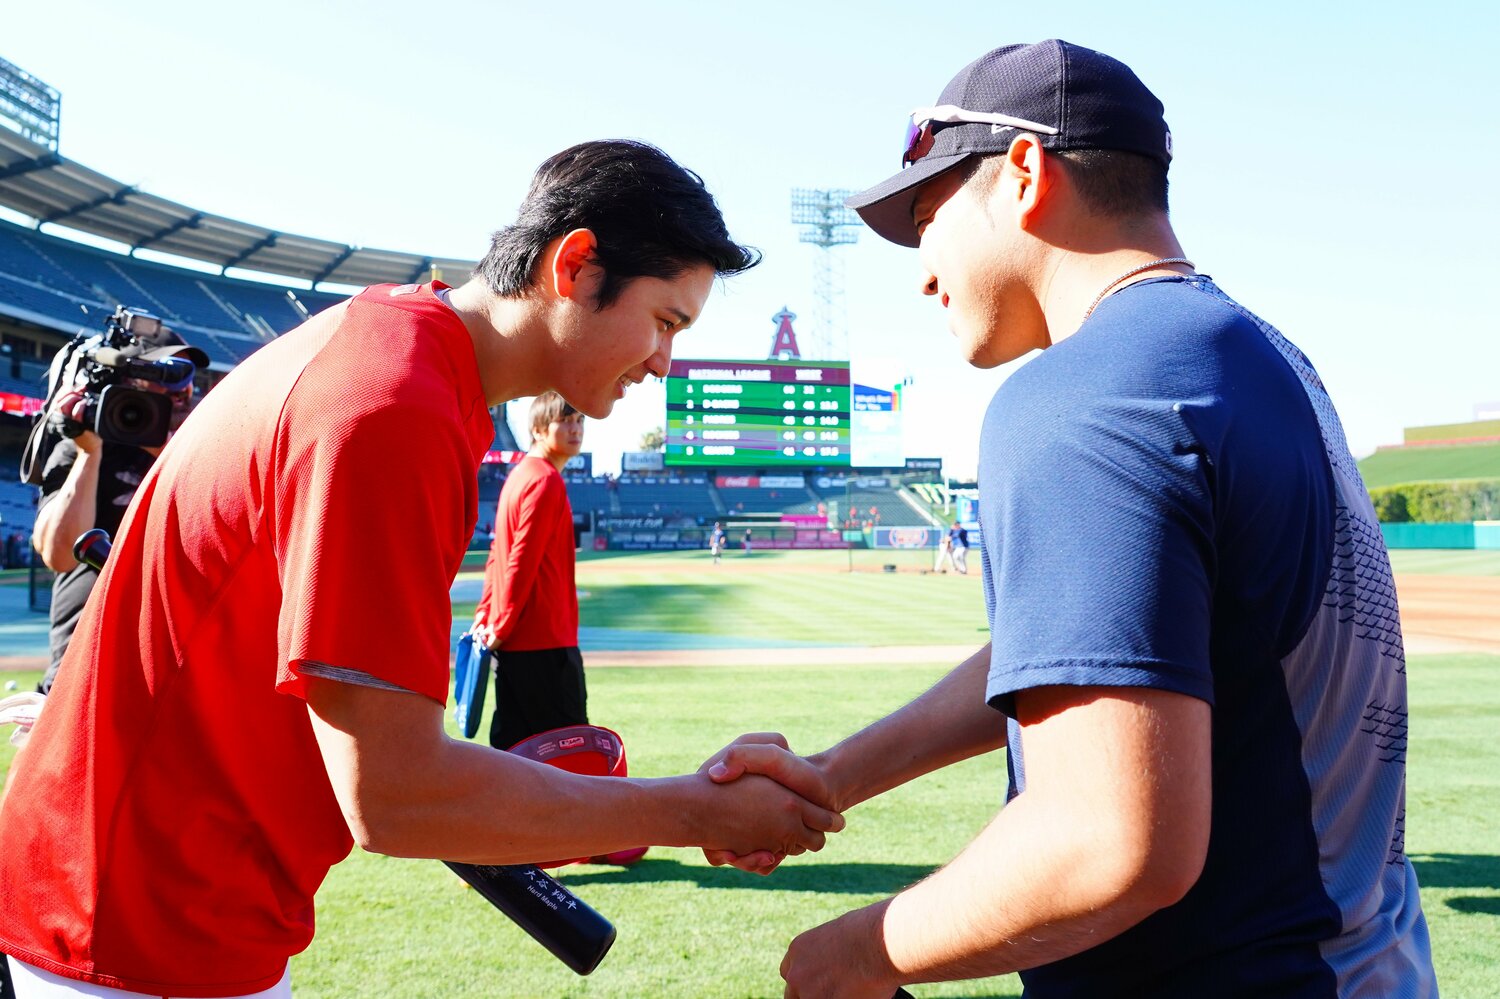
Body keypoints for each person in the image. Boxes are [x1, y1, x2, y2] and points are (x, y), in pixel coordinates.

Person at [0, 140, 843, 999]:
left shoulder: (403, 361)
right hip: (137, 925)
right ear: (577, 265)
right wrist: (689, 808)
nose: (664, 360)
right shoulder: (392, 403)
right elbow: (393, 793)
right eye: (665, 320)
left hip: (156, 898)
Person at [704, 41, 1436, 997]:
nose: (923, 272)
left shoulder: (1088, 396)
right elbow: (1109, 649)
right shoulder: (1249, 357)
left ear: (1022, 173)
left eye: (928, 217)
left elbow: (1108, 842)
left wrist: (849, 955)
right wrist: (836, 774)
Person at [28, 331, 208, 695]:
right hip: (80, 671)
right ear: (129, 383)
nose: (178, 392)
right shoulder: (84, 446)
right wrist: (88, 454)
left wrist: (164, 451)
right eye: (163, 376)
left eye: (185, 378)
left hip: (166, 675)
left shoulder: (202, 451)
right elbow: (59, 555)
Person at [473, 392, 589, 749]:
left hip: (518, 647)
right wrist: (502, 623)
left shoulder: (520, 476)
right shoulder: (545, 480)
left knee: (512, 755)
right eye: (564, 421)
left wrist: (486, 614)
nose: (575, 429)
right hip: (546, 646)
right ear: (538, 429)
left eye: (579, 421)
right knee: (573, 762)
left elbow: (497, 556)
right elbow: (520, 559)